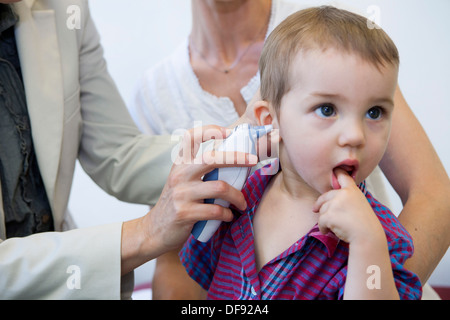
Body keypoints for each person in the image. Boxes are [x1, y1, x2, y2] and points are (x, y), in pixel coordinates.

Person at [130, 0, 449, 299]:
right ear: (270, 120)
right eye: (326, 109)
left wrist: (369, 248)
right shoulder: (236, 203)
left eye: (375, 112)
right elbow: (180, 254)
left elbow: (435, 195)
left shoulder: (380, 237)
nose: (354, 136)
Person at [0, 0, 254, 299]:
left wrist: (237, 148)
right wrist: (147, 232)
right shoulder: (159, 89)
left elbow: (115, 153)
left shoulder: (65, 9)